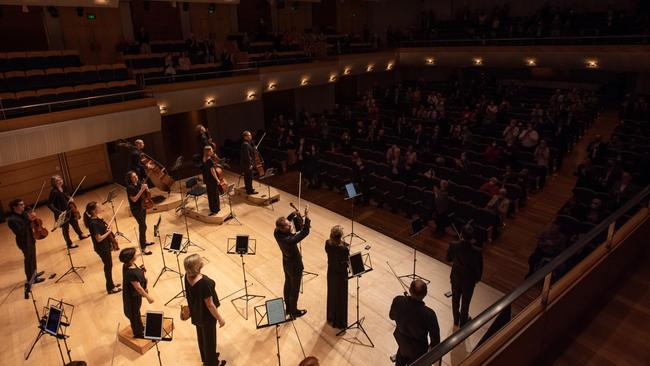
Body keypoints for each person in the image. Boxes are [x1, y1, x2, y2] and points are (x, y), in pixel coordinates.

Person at [184, 254, 226, 366]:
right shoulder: (204, 283)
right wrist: (220, 318)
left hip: (196, 312)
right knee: (210, 340)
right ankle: (212, 363)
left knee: (202, 337)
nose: (202, 260)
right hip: (207, 316)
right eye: (200, 260)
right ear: (197, 266)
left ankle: (206, 357)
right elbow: (210, 305)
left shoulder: (186, 276)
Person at [389, 279, 441, 366]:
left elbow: (391, 316)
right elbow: (435, 340)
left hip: (402, 341)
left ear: (409, 290)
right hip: (419, 349)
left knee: (401, 357)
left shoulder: (398, 300)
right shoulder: (429, 314)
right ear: (425, 294)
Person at [274, 205, 311, 318]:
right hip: (295, 266)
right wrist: (307, 217)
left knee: (288, 284)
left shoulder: (276, 232)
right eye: (288, 225)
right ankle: (293, 310)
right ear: (282, 228)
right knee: (294, 288)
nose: (290, 225)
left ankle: (288, 308)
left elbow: (286, 221)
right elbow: (305, 232)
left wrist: (292, 214)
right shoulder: (289, 240)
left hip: (286, 263)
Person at [446, 225, 483, 327]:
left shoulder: (453, 245)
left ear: (461, 234)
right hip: (469, 281)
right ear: (472, 238)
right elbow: (479, 268)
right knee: (466, 302)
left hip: (456, 276)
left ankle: (456, 320)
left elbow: (448, 259)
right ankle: (463, 322)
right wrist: (477, 279)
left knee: (455, 299)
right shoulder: (477, 251)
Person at [83, 201, 121, 294]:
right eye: (98, 207)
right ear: (94, 210)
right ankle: (110, 288)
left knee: (109, 266)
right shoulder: (93, 223)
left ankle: (111, 284)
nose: (100, 208)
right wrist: (109, 231)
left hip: (105, 246)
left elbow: (102, 230)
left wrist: (107, 229)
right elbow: (99, 238)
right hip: (102, 248)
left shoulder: (97, 219)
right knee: (108, 267)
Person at [7, 199, 45, 285]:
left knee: (33, 257)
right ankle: (31, 279)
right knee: (28, 259)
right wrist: (29, 220)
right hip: (24, 241)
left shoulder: (24, 214)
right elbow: (20, 231)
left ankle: (34, 274)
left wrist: (33, 218)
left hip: (31, 238)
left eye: (23, 204)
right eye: (21, 205)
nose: (23, 206)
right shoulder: (12, 220)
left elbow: (31, 224)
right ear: (15, 207)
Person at [119, 247, 153, 338]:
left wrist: (142, 271)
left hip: (135, 295)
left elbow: (137, 276)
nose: (136, 254)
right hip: (132, 298)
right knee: (134, 314)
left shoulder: (129, 264)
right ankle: (138, 333)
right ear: (130, 258)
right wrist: (148, 297)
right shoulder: (130, 272)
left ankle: (140, 328)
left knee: (137, 312)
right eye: (134, 254)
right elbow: (138, 288)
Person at [47, 175, 89, 249]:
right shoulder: (54, 192)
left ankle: (81, 235)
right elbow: (49, 204)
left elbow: (65, 196)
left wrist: (69, 198)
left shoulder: (64, 187)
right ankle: (69, 244)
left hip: (70, 209)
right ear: (54, 183)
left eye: (61, 180)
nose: (60, 181)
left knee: (75, 223)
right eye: (57, 181)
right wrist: (58, 212)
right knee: (65, 229)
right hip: (62, 213)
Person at [325, 225, 349, 329]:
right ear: (341, 236)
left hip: (331, 272)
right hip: (341, 274)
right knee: (341, 297)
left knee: (332, 294)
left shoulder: (327, 243)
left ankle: (331, 317)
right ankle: (340, 322)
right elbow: (346, 262)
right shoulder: (344, 248)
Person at [126, 171, 153, 255]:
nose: (136, 177)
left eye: (136, 175)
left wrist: (147, 189)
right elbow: (134, 199)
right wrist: (141, 190)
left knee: (143, 225)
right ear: (130, 179)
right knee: (143, 226)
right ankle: (143, 248)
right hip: (136, 209)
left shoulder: (139, 183)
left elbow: (147, 194)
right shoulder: (129, 187)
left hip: (143, 206)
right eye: (134, 177)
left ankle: (144, 241)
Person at [202, 146, 222, 215]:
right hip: (211, 179)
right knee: (215, 194)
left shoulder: (204, 158)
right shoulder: (209, 160)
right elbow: (212, 171)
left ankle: (212, 208)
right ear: (208, 152)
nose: (213, 151)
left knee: (210, 194)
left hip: (207, 179)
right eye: (211, 150)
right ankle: (216, 209)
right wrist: (217, 179)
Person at [240, 130, 258, 195]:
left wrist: (254, 149)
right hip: (247, 164)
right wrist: (250, 164)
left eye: (250, 135)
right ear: (245, 137)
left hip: (246, 164)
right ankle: (249, 190)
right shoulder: (245, 144)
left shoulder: (247, 143)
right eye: (249, 135)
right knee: (249, 177)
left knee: (248, 177)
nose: (251, 136)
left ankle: (249, 188)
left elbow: (250, 152)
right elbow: (247, 156)